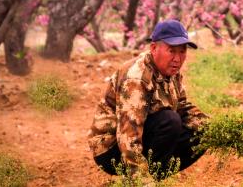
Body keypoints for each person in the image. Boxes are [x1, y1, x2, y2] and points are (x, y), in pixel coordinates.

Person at [89, 19, 208, 178]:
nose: (178, 59)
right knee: (170, 120)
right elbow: (127, 134)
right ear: (154, 48)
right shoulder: (137, 79)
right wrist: (140, 178)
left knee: (202, 135)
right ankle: (140, 182)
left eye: (182, 51)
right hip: (111, 149)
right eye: (172, 51)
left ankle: (153, 177)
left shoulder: (171, 72)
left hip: (140, 135)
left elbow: (182, 107)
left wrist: (213, 129)